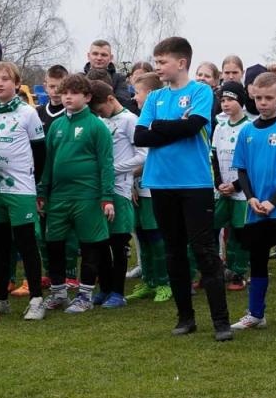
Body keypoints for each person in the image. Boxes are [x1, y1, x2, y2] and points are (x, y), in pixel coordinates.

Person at [134, 37, 232, 340]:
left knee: (204, 251)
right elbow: (140, 136)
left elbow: (193, 127)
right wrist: (175, 125)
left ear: (181, 63)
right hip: (160, 184)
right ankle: (185, 318)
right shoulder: (154, 98)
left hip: (195, 184)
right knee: (173, 251)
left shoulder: (201, 91)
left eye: (162, 62)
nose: (158, 67)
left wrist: (161, 127)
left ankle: (221, 323)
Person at [229, 72, 276, 334]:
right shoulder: (247, 131)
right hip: (255, 210)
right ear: (252, 95)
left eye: (269, 98)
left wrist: (273, 201)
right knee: (258, 260)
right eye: (259, 97)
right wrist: (250, 197)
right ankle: (256, 314)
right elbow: (241, 170)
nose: (263, 103)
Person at [36, 73, 116, 315]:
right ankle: (59, 292)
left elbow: (106, 164)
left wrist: (107, 198)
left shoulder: (97, 126)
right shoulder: (57, 126)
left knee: (90, 246)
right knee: (55, 245)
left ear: (87, 97)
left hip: (87, 197)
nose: (68, 97)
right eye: (64, 92)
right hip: (59, 197)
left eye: (74, 93)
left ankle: (84, 295)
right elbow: (48, 163)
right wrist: (43, 193)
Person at [0, 61, 48, 320]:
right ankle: (0, 298)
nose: (0, 84)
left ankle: (36, 299)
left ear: (16, 84)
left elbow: (39, 152)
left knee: (26, 244)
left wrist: (36, 183)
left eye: (5, 79)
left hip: (20, 189)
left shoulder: (28, 113)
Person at [88, 79, 144, 309]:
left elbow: (143, 155)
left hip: (120, 190)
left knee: (118, 243)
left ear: (110, 99)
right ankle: (105, 288)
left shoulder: (130, 120)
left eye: (100, 109)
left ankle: (118, 292)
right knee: (100, 242)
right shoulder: (100, 121)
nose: (99, 113)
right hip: (101, 191)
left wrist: (113, 169)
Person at [124, 70, 172, 304]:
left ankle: (164, 282)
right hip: (138, 188)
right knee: (142, 235)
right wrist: (130, 181)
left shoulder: (159, 121)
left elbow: (146, 157)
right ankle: (149, 281)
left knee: (156, 236)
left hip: (155, 189)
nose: (135, 98)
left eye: (138, 93)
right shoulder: (141, 119)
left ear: (151, 94)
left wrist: (123, 174)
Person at [212, 81, 252, 291]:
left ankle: (238, 272)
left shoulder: (249, 127)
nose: (226, 104)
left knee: (239, 232)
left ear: (241, 101)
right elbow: (215, 157)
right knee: (213, 227)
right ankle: (215, 269)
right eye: (223, 100)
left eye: (230, 100)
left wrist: (236, 185)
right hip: (222, 189)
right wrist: (219, 182)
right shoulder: (219, 127)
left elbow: (251, 163)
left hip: (241, 192)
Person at [82, 39, 135, 109]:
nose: (99, 58)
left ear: (111, 58)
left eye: (104, 55)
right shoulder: (80, 78)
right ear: (88, 56)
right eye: (95, 54)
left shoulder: (119, 79)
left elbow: (123, 102)